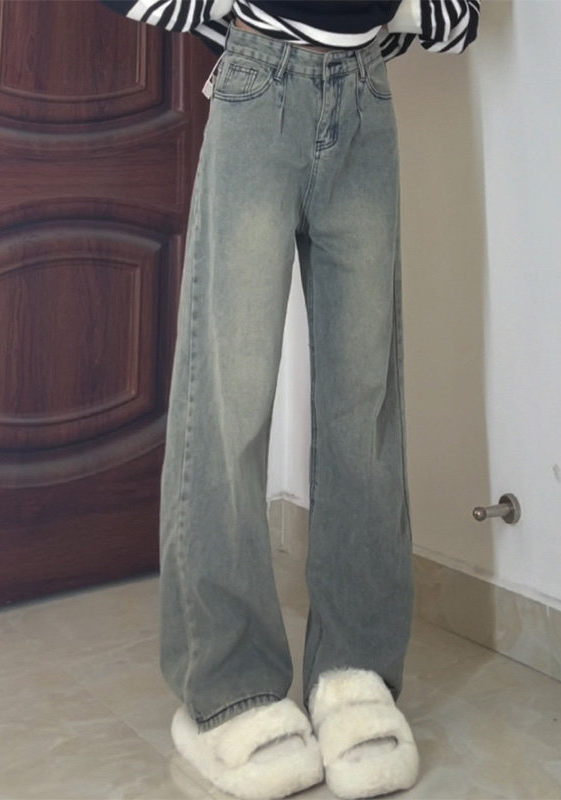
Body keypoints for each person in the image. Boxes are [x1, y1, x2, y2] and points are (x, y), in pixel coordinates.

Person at [98, 3, 481, 798]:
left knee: (364, 406)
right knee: (228, 403)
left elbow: (462, 15)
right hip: (258, 82)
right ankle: (227, 688)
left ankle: (355, 677)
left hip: (365, 96)